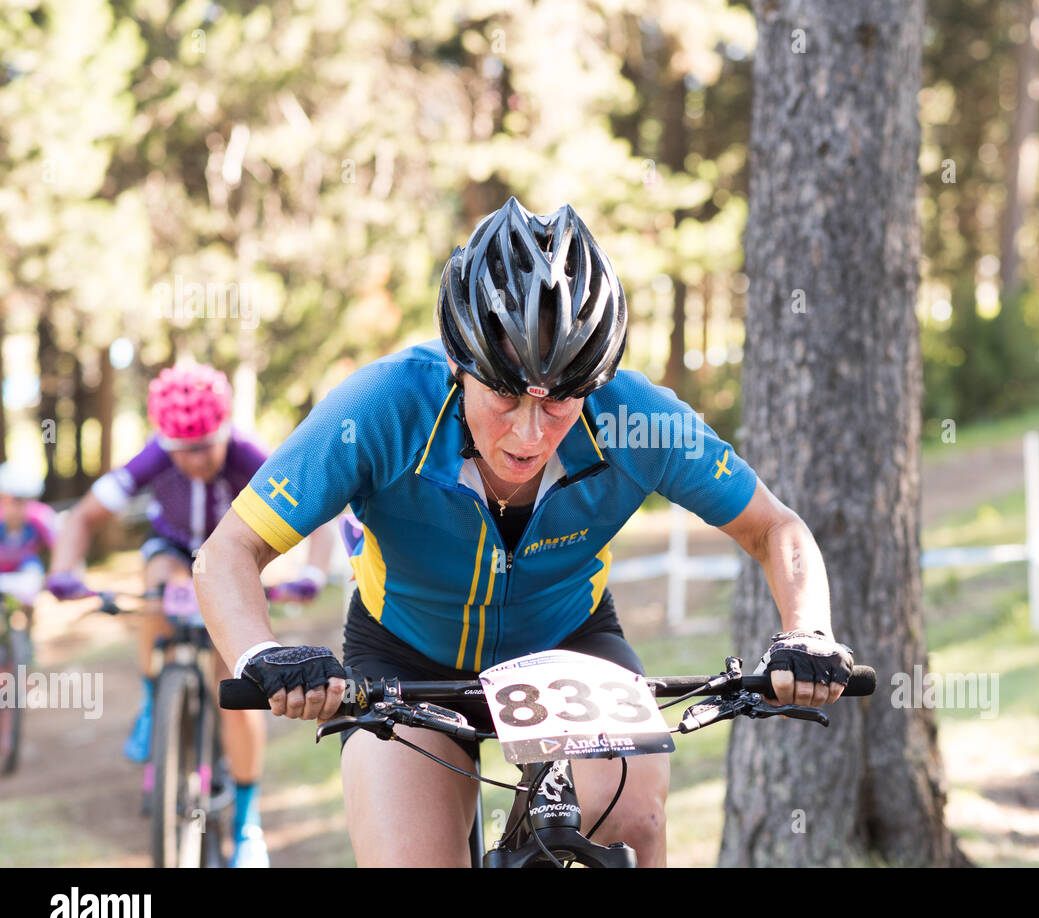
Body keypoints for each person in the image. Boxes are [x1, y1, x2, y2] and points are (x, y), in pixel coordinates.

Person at [197, 197, 853, 867]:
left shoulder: (636, 419)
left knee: (632, 821)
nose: (530, 432)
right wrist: (260, 653)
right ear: (460, 364)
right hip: (407, 656)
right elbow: (227, 553)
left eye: (561, 401)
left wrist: (808, 629)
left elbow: (773, 526)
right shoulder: (381, 408)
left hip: (569, 644)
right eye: (505, 396)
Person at [47, 361, 331, 868]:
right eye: (183, 450)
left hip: (231, 556)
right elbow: (86, 515)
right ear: (166, 441)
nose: (196, 460)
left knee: (237, 671)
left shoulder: (249, 453)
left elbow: (321, 511)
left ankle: (247, 825)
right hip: (173, 549)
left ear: (224, 432)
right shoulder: (153, 457)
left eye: (205, 446)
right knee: (159, 580)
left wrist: (311, 573)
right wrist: (66, 569)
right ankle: (156, 699)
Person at [0, 462, 56, 609]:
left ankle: (28, 626)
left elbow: (59, 545)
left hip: (26, 568)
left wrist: (59, 574)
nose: (19, 506)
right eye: (15, 499)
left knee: (30, 590)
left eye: (27, 499)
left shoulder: (41, 517)